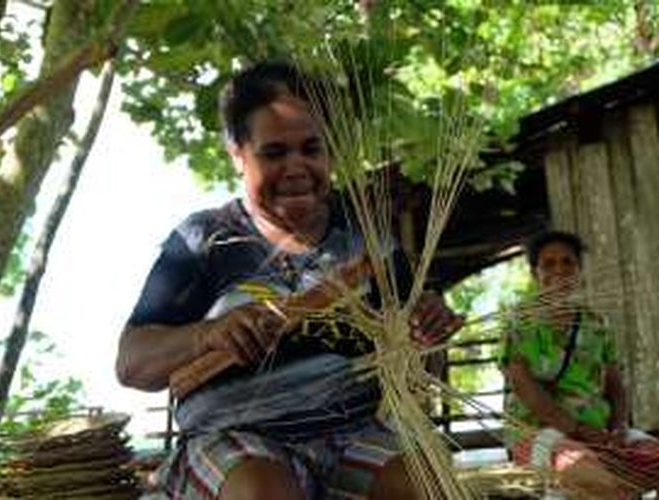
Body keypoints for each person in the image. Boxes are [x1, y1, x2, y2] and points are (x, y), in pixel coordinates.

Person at [116, 60, 464, 500]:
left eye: (311, 149)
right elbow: (131, 364)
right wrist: (209, 334)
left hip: (355, 433)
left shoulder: (365, 236)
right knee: (265, 493)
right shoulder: (205, 239)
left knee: (425, 486)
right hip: (235, 438)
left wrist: (425, 324)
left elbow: (411, 333)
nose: (296, 166)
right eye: (274, 152)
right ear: (238, 153)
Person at [502, 230, 659, 498]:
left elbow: (615, 386)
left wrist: (620, 426)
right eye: (548, 264)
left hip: (600, 433)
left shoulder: (596, 324)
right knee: (588, 474)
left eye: (568, 262)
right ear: (534, 273)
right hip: (539, 434)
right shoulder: (521, 322)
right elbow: (523, 386)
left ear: (579, 271)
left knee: (652, 458)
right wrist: (577, 431)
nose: (559, 269)